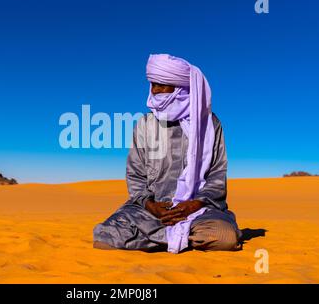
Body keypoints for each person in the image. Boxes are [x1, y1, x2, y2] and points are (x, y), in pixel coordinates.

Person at [93, 54, 242, 253]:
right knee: (105, 237)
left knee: (224, 237)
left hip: (199, 211)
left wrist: (194, 204)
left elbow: (217, 174)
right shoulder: (145, 124)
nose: (155, 91)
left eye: (161, 85)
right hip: (151, 211)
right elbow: (136, 175)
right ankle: (175, 238)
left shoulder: (209, 124)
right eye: (152, 85)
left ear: (180, 87)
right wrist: (150, 205)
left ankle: (161, 238)